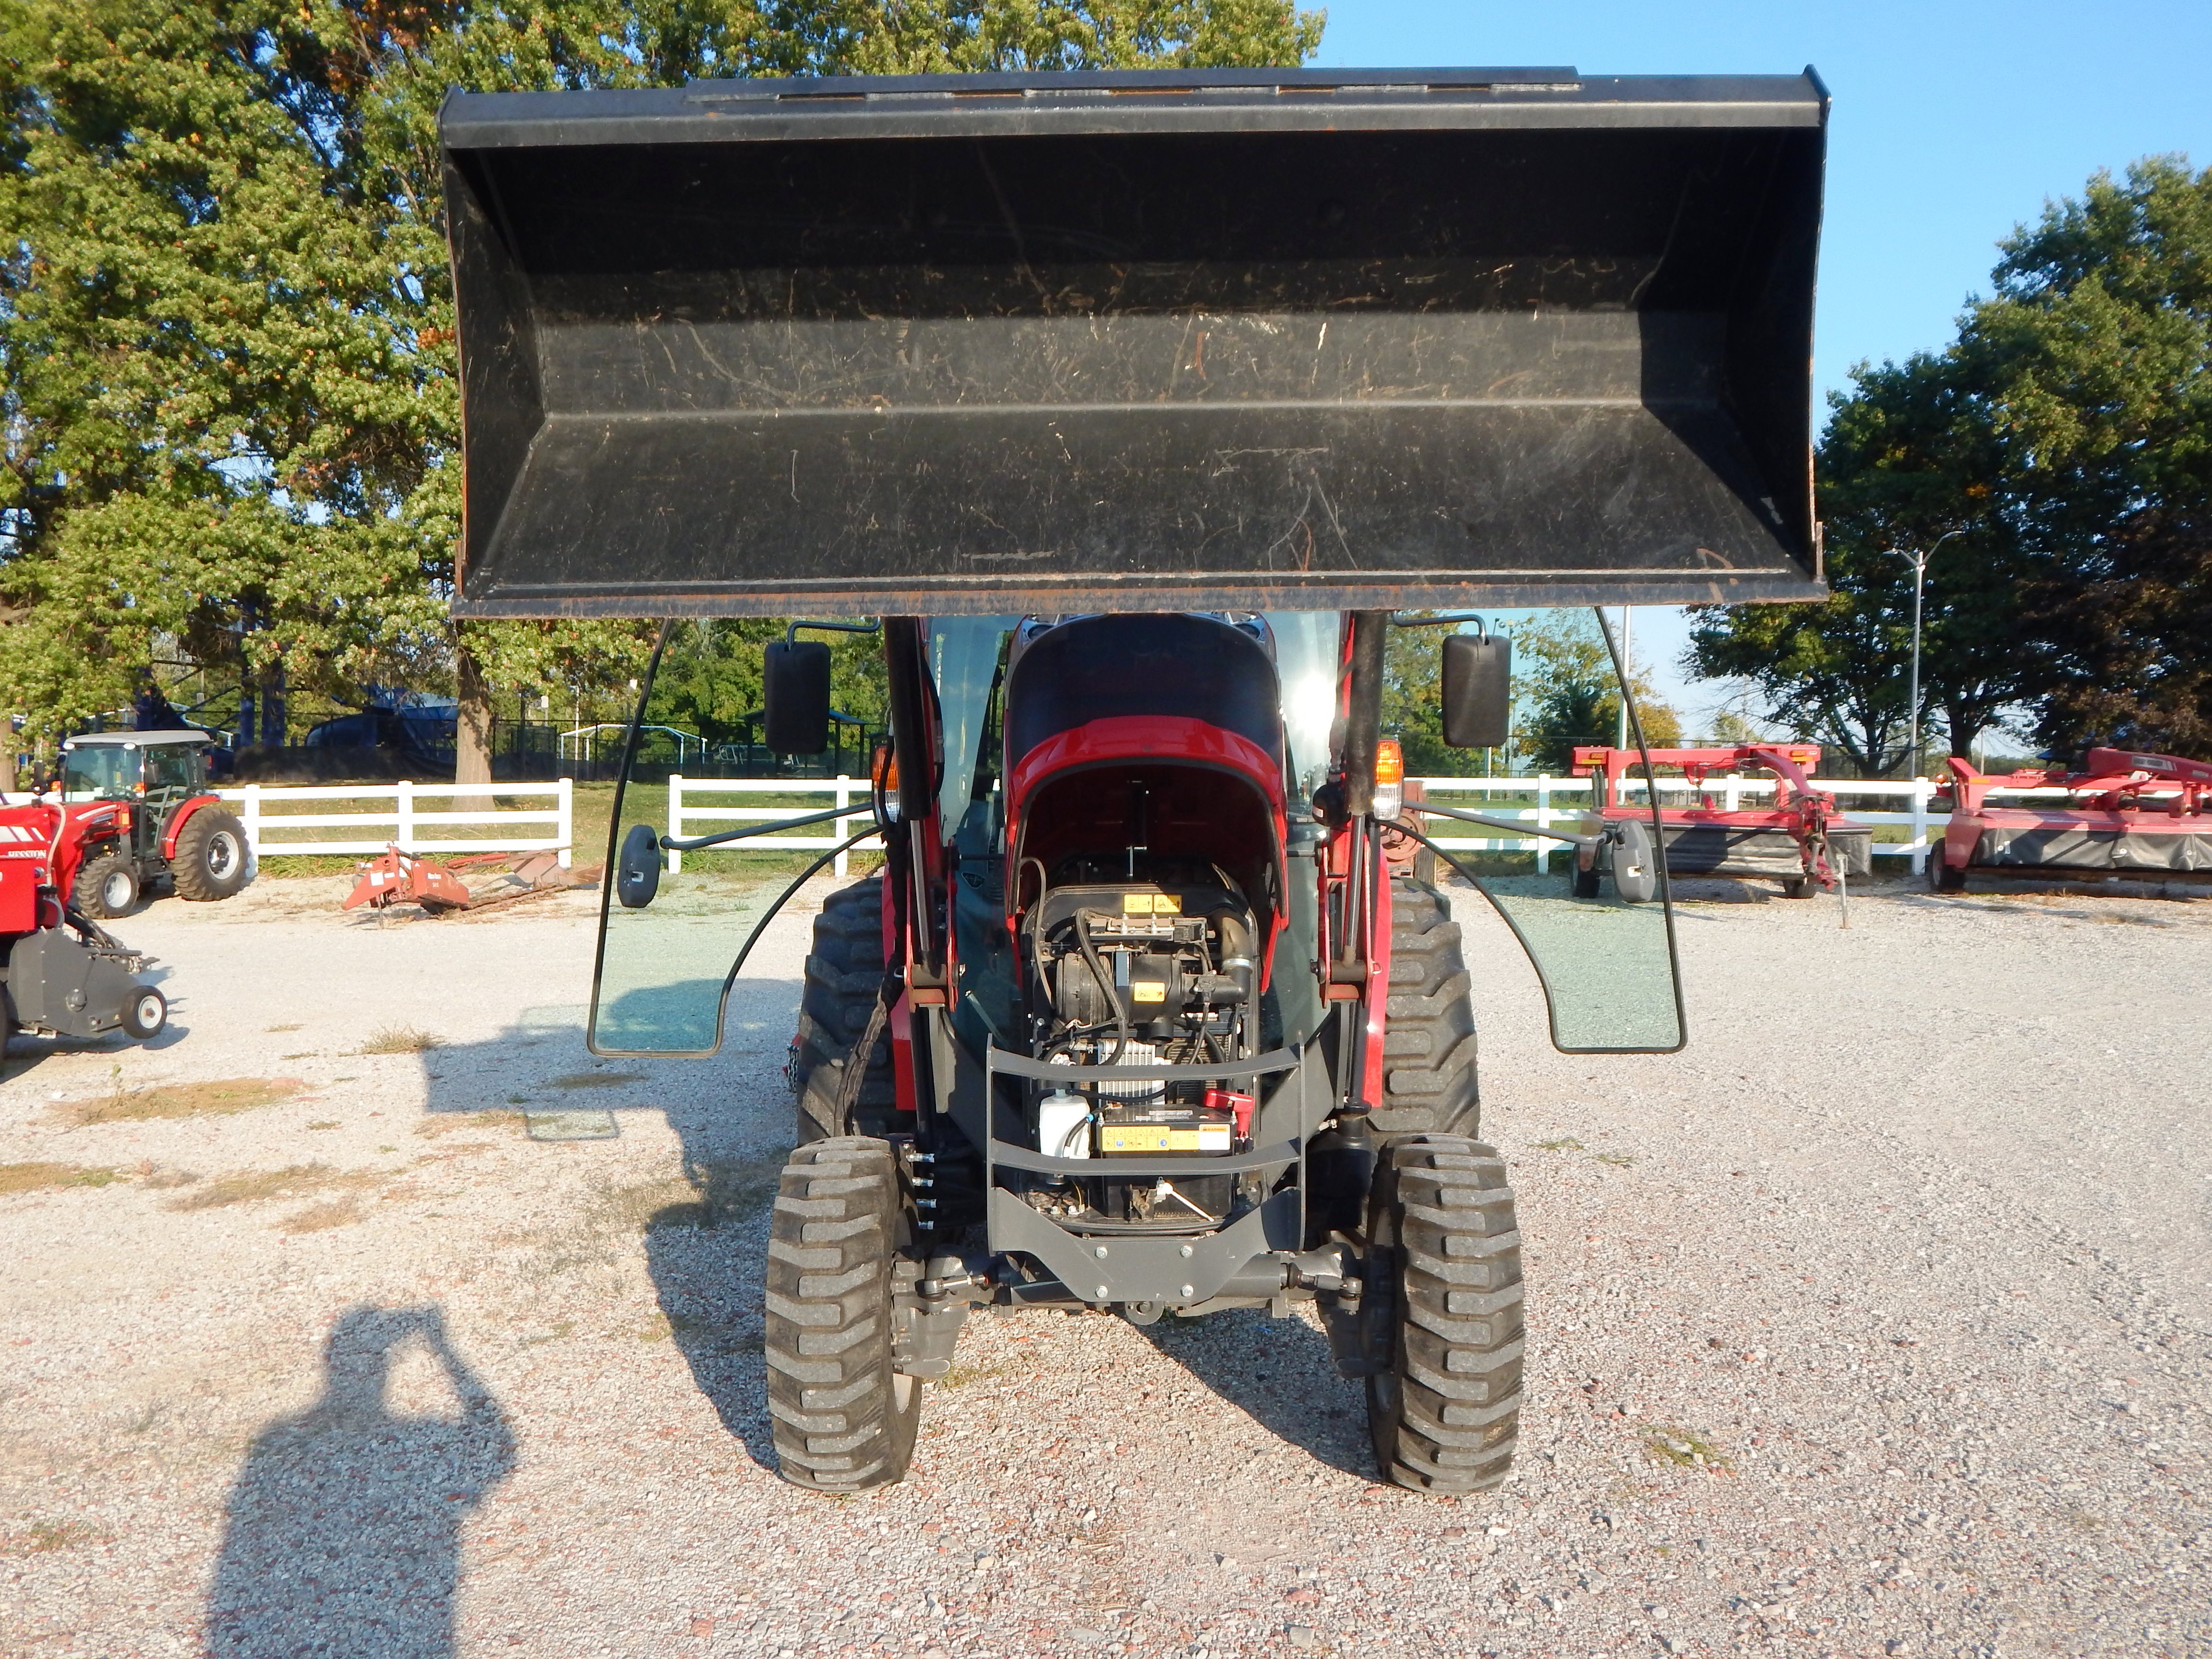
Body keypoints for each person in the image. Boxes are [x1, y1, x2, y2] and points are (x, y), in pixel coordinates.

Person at [203, 1306, 515, 1658]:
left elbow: (244, 1538)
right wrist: (442, 1348)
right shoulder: (283, 1441)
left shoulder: (276, 1441)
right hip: (416, 1621)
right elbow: (496, 1448)